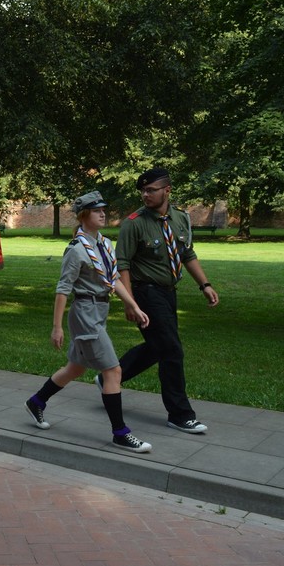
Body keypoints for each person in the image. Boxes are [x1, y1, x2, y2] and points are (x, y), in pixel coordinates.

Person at [23, 191, 153, 453]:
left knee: (76, 368)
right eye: (97, 211)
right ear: (84, 216)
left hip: (100, 311)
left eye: (104, 209)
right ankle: (120, 432)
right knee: (113, 371)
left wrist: (133, 305)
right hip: (85, 313)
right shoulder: (76, 250)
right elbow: (62, 289)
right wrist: (57, 327)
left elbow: (113, 278)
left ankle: (37, 401)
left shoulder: (104, 244)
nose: (103, 214)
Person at [112, 167, 219, 434]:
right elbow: (121, 264)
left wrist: (204, 284)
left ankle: (111, 377)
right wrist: (129, 303)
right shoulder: (134, 223)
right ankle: (180, 414)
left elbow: (187, 254)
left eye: (151, 190)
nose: (145, 194)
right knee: (171, 350)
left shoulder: (181, 219)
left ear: (167, 190)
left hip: (169, 292)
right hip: (145, 292)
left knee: (157, 345)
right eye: (143, 190)